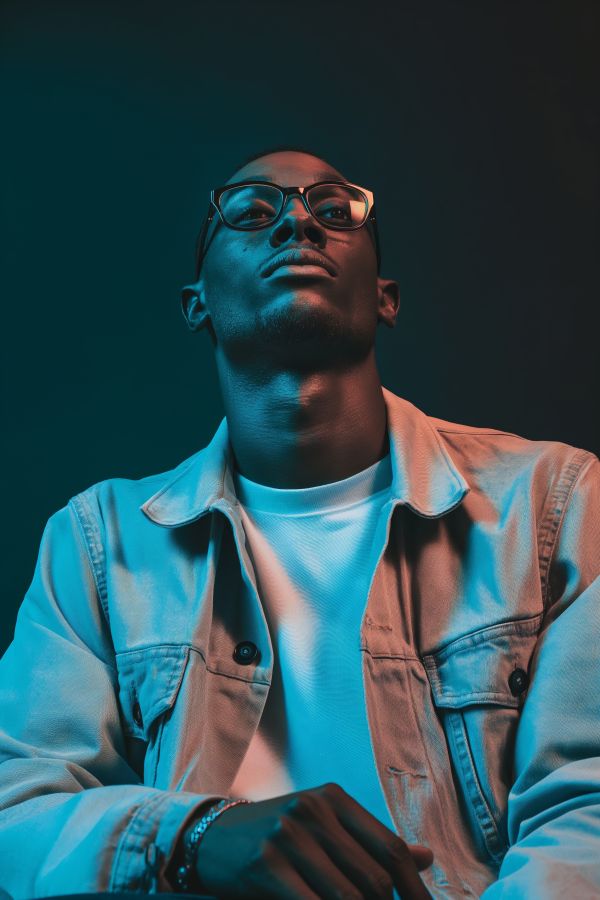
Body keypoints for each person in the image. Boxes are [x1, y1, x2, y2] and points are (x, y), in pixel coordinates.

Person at [0, 147, 598, 900]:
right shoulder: (98, 544)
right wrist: (194, 835)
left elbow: (589, 799)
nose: (297, 225)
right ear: (198, 305)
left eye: (334, 210)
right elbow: (12, 815)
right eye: (252, 213)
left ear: (386, 296)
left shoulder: (552, 502)